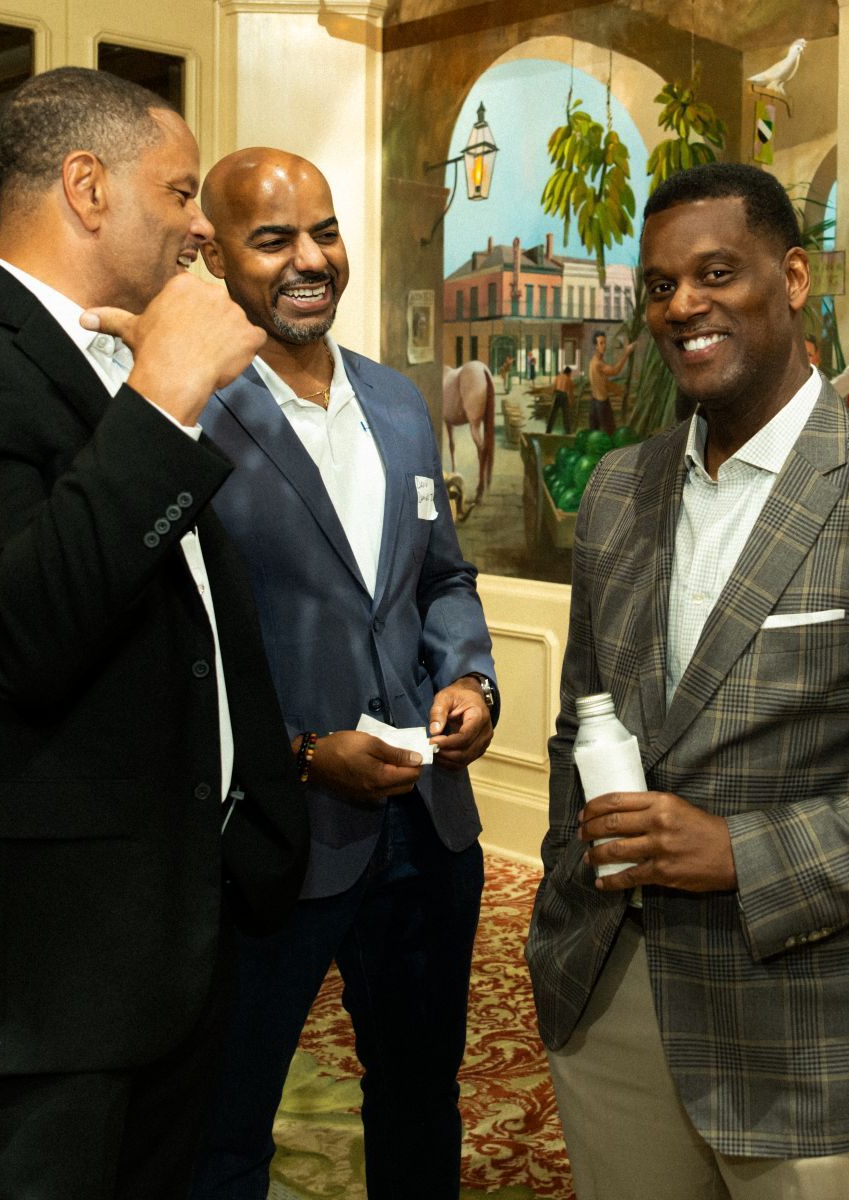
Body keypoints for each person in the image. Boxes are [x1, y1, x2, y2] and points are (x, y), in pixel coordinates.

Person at [0, 68, 308, 1200]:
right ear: (87, 188)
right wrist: (161, 399)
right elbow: (19, 628)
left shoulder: (121, 360)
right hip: (29, 987)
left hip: (168, 952)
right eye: (182, 191)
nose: (205, 225)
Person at [526, 161, 849, 1200]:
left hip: (818, 1039)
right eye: (661, 286)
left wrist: (743, 854)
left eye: (718, 272)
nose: (685, 306)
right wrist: (559, 916)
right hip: (613, 1004)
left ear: (795, 277)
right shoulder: (621, 490)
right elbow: (583, 725)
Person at [189, 147, 498, 1200]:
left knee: (420, 1095)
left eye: (323, 232)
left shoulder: (399, 402)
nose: (309, 259)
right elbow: (170, 654)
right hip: (275, 837)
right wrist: (300, 757)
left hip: (427, 827)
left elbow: (443, 577)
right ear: (214, 255)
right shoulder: (185, 415)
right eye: (273, 240)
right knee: (227, 1125)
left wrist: (470, 679)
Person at [587, 331, 631, 435]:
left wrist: (619, 392)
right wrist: (626, 354)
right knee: (611, 434)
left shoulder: (594, 361)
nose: (604, 346)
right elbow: (615, 371)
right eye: (601, 343)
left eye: (605, 343)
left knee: (594, 436)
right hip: (602, 404)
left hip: (594, 403)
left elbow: (604, 383)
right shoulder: (598, 364)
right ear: (595, 346)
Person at [547, 364, 574, 433]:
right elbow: (570, 393)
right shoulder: (569, 380)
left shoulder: (558, 377)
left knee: (553, 414)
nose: (570, 375)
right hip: (564, 396)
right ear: (568, 373)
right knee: (565, 415)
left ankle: (548, 430)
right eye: (570, 374)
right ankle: (568, 431)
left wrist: (552, 397)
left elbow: (554, 388)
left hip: (557, 395)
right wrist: (571, 402)